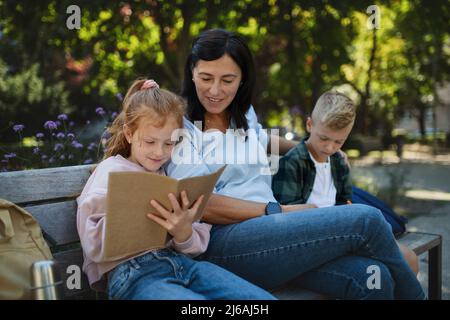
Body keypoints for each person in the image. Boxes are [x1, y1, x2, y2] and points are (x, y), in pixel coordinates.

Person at [163, 28, 426, 299]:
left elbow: (261, 139)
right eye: (206, 78)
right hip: (223, 244)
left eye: (227, 80)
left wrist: (314, 148)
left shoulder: (242, 114)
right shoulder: (180, 126)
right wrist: (279, 210)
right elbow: (201, 203)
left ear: (242, 80)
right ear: (192, 72)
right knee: (365, 219)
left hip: (274, 242)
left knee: (373, 277)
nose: (215, 90)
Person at [76, 79, 276, 300]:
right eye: (150, 141)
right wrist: (128, 219)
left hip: (184, 265)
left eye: (169, 144)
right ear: (130, 134)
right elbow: (93, 244)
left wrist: (183, 233)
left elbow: (195, 246)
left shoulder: (168, 178)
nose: (159, 152)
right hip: (133, 274)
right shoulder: (111, 170)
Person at [272, 90, 419, 275]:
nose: (330, 147)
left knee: (409, 258)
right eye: (323, 138)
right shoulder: (293, 163)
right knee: (383, 269)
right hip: (310, 236)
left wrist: (346, 216)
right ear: (309, 124)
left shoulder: (339, 161)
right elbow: (286, 219)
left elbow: (344, 200)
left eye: (338, 142)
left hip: (341, 231)